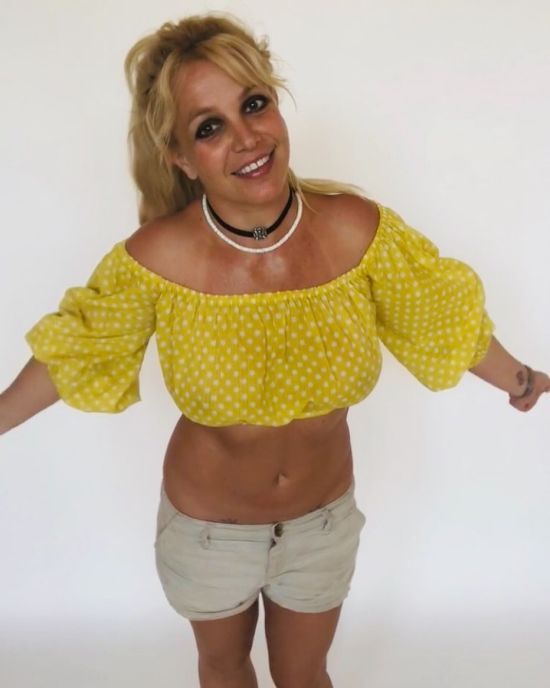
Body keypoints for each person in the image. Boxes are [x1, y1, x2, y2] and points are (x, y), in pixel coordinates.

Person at [1, 12, 549, 688]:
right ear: (180, 158)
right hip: (208, 531)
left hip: (321, 524)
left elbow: (443, 320)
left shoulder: (357, 232)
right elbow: (73, 352)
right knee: (224, 668)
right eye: (209, 127)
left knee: (305, 676)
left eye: (254, 104)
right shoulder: (157, 258)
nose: (247, 138)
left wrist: (522, 380)